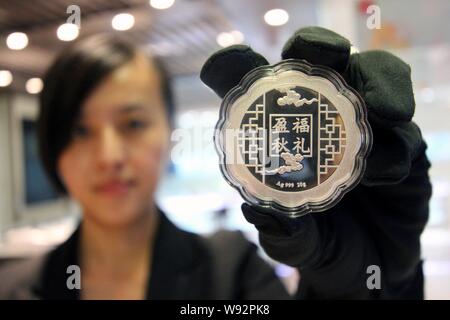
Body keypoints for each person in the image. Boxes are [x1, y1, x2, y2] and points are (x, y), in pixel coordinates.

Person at [0, 26, 431, 300]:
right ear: (51, 145)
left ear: (170, 133)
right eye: (79, 130)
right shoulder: (11, 288)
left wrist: (371, 286)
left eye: (132, 123)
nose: (109, 156)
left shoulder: (235, 276)